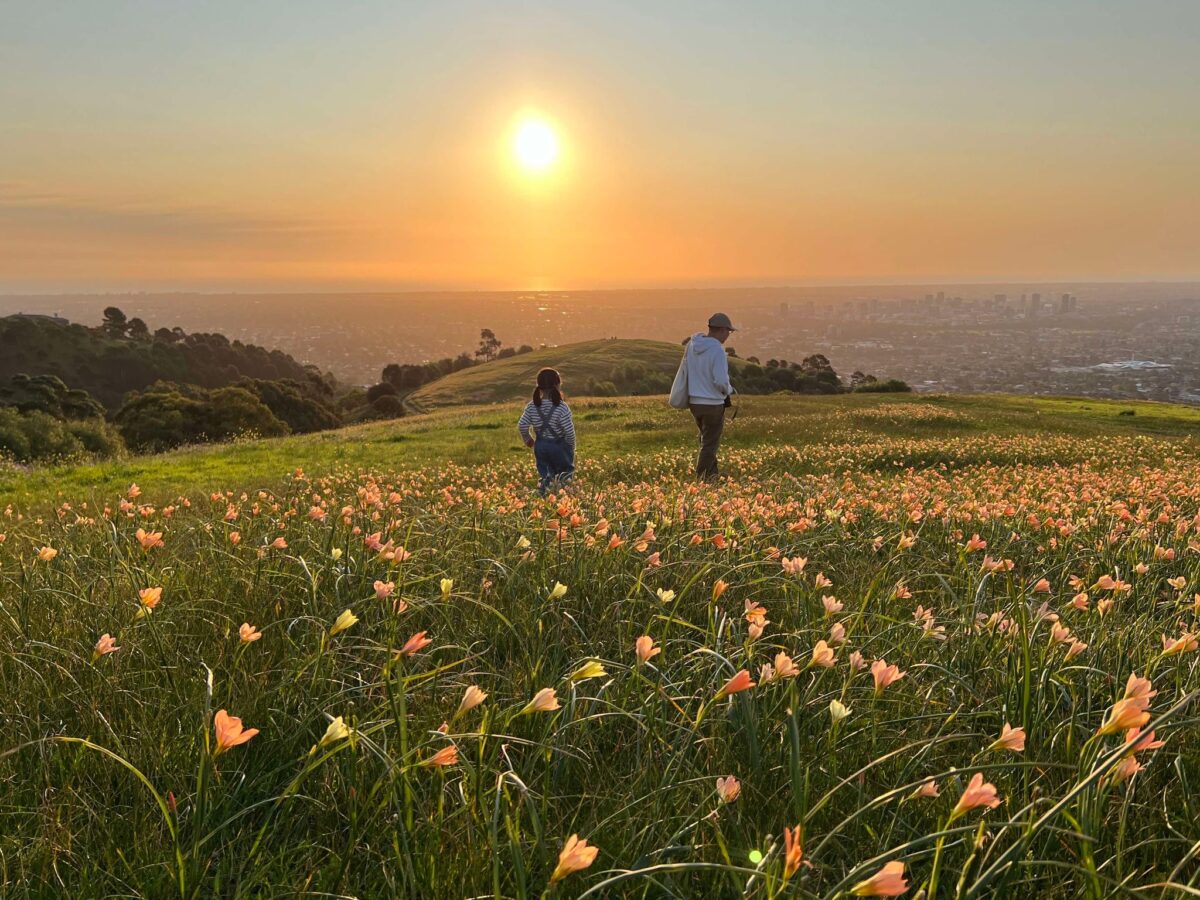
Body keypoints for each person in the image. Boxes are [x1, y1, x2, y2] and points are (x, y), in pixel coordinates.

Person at [681, 313, 736, 481]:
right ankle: (703, 479)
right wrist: (729, 389)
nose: (728, 335)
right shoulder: (717, 350)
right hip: (712, 403)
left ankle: (713, 476)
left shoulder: (692, 345)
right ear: (721, 330)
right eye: (728, 331)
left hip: (694, 402)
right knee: (710, 444)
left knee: (706, 440)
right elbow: (720, 380)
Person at [517, 367, 576, 494]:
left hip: (541, 446)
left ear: (538, 385)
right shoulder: (562, 407)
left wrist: (528, 440)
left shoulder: (532, 406)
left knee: (546, 476)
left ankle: (545, 499)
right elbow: (569, 432)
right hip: (560, 447)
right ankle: (565, 501)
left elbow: (522, 425)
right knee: (565, 476)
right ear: (557, 384)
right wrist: (571, 446)